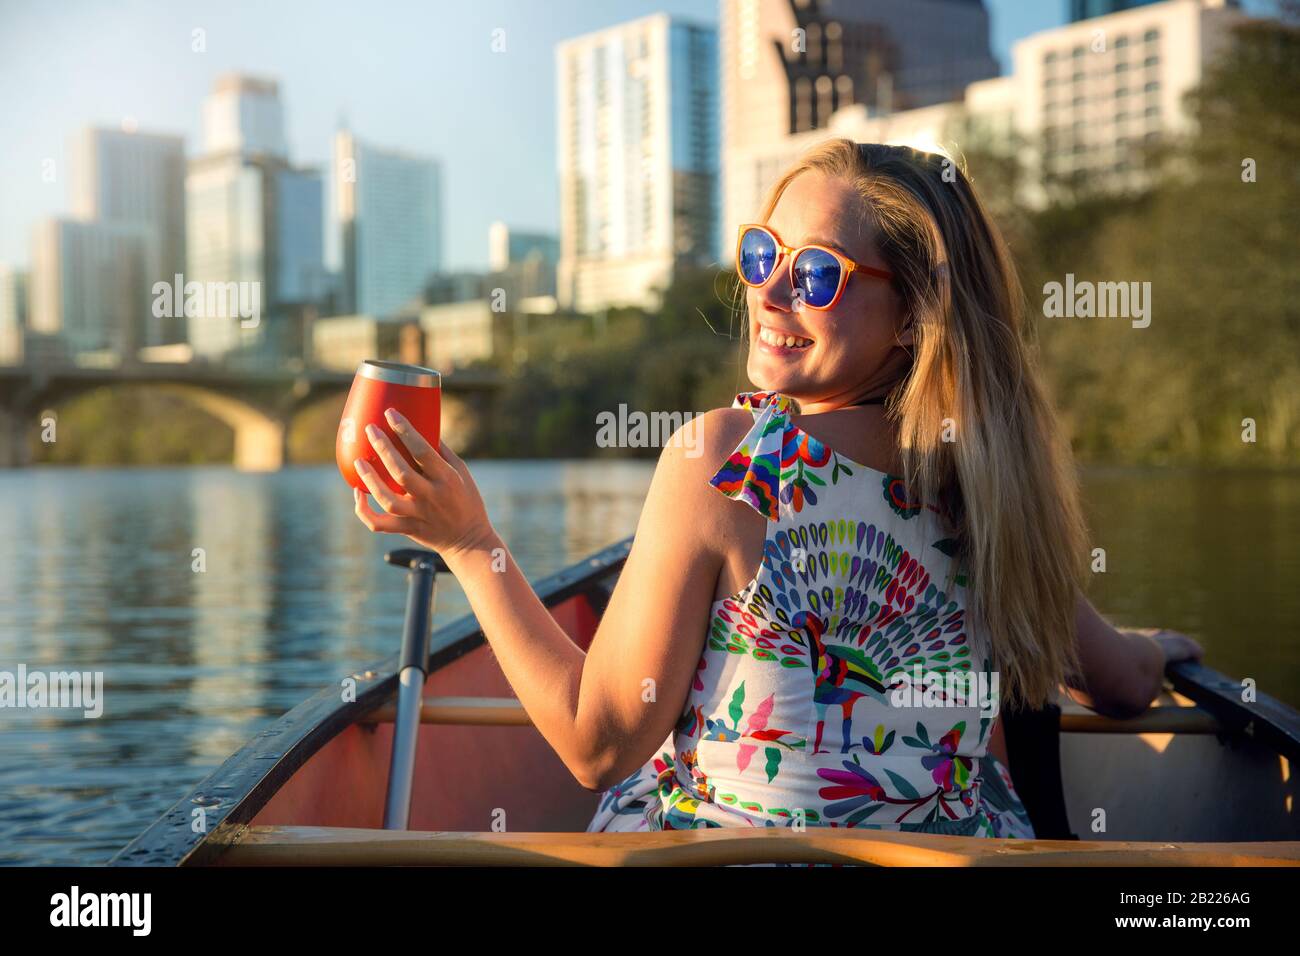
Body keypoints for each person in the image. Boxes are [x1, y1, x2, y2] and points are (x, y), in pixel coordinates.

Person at [351, 138, 1203, 838]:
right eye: (764, 253)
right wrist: (1160, 647)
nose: (766, 289)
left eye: (818, 273)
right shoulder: (992, 488)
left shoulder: (725, 462)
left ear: (912, 316)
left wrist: (469, 544)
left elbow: (597, 742)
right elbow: (1122, 684)